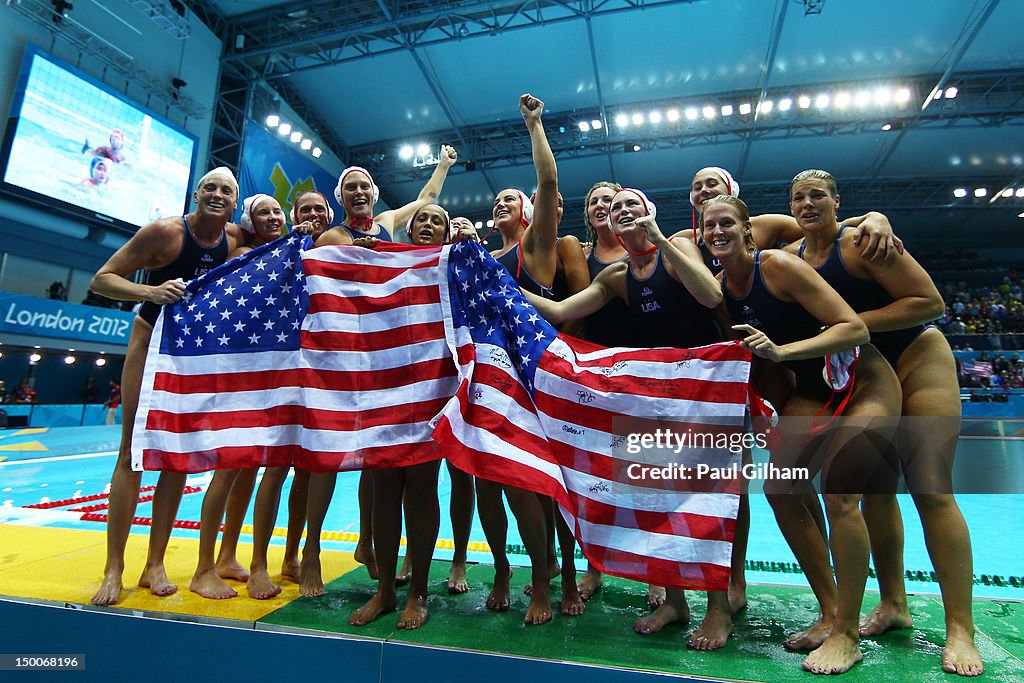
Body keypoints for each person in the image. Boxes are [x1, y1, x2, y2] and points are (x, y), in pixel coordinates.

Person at [786, 170, 982, 676]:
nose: (807, 204)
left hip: (914, 357)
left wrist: (848, 324)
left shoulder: (861, 243)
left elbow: (930, 302)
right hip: (863, 374)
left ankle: (961, 626)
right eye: (798, 198)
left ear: (836, 201)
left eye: (817, 195)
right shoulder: (793, 256)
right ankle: (894, 604)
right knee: (874, 491)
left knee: (931, 489)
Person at [699, 195, 901, 674]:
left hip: (863, 380)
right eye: (710, 226)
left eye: (728, 222)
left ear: (748, 230)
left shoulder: (780, 267)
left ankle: (848, 635)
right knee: (780, 488)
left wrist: (784, 352)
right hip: (813, 388)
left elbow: (854, 328)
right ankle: (831, 612)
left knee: (840, 493)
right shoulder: (723, 290)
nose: (718, 231)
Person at [523, 187, 723, 629]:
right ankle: (676, 601)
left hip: (707, 390)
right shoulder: (616, 275)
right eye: (616, 210)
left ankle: (719, 610)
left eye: (632, 204)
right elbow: (558, 311)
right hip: (658, 394)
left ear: (649, 211)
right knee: (658, 495)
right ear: (608, 226)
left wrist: (661, 238)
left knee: (706, 501)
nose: (624, 212)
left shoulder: (679, 247)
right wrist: (502, 288)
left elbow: (711, 296)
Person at [301, 145, 458, 599]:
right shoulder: (330, 240)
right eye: (349, 187)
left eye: (364, 185)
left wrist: (444, 166)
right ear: (341, 197)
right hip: (348, 359)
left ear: (374, 192)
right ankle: (311, 552)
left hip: (389, 361)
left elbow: (426, 198)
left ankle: (367, 544)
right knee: (331, 457)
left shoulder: (390, 227)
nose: (359, 192)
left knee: (380, 463)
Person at [89, 167, 244, 606]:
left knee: (176, 459)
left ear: (235, 203)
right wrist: (150, 294)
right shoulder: (165, 233)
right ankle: (113, 567)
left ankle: (154, 562)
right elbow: (101, 278)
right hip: (148, 341)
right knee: (131, 455)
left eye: (226, 191)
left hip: (188, 357)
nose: (216, 194)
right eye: (209, 187)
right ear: (196, 194)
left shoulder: (233, 240)